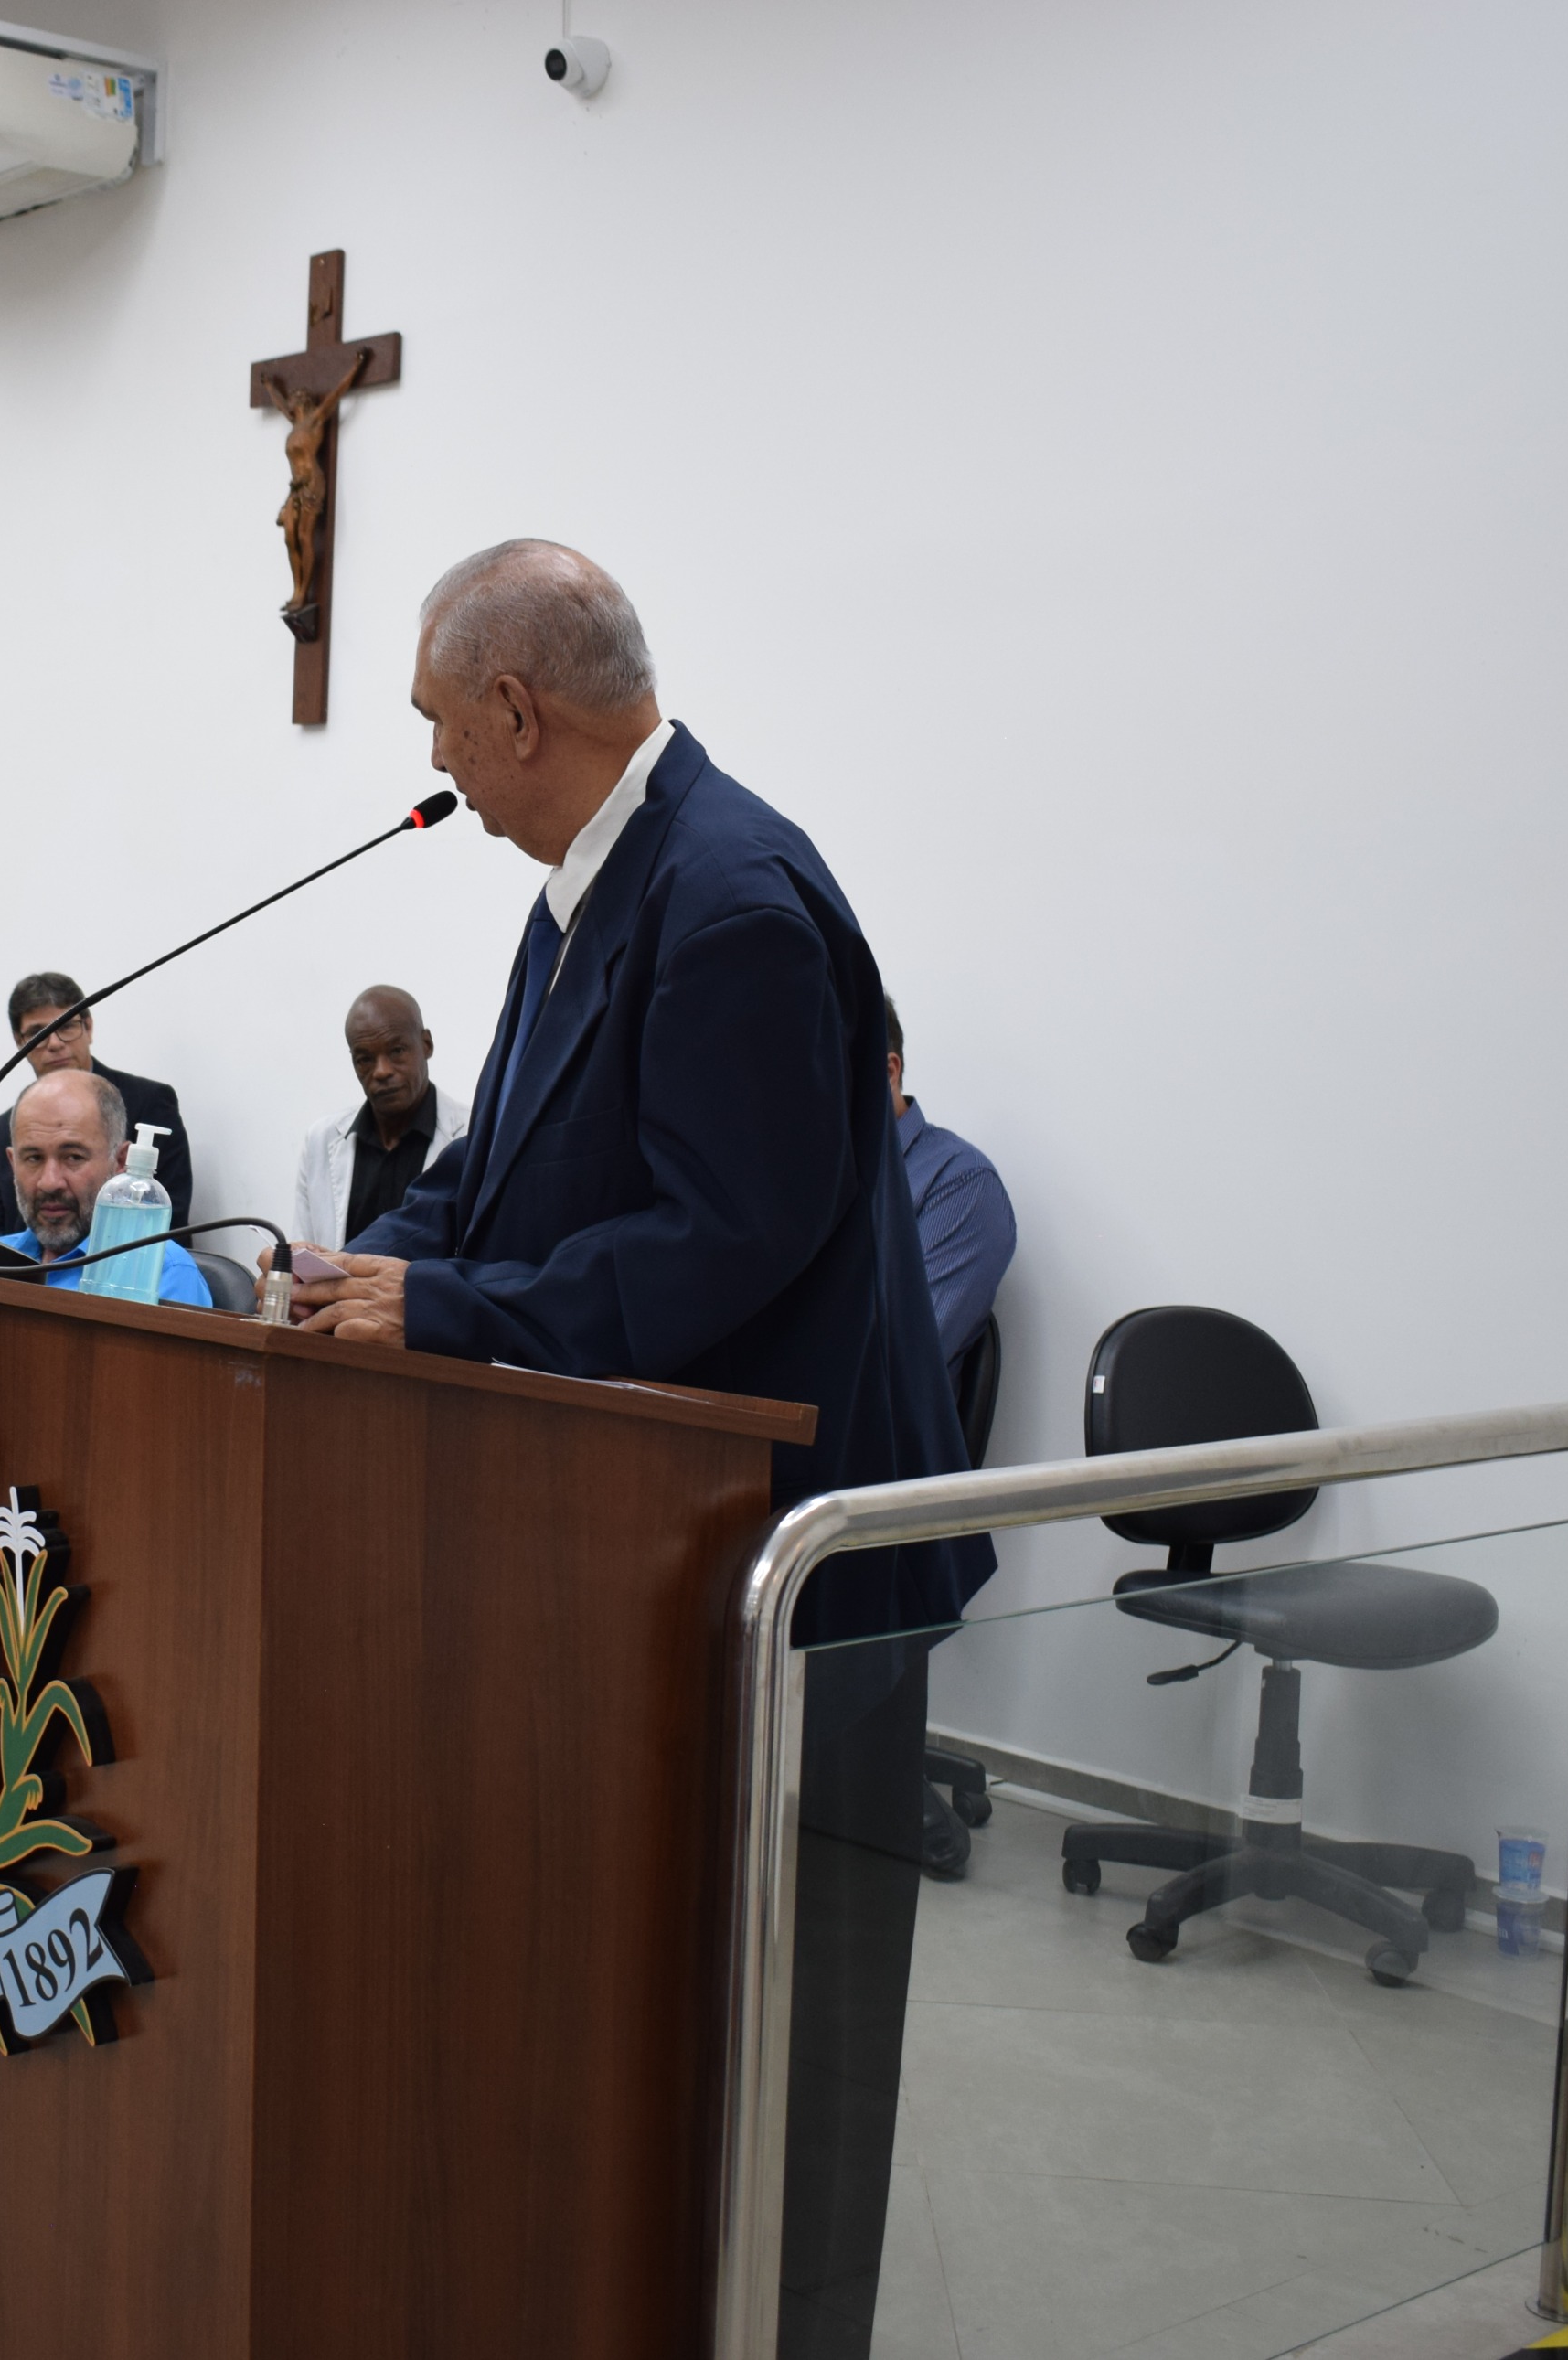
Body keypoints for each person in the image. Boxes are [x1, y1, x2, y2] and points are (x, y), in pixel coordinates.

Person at [282, 539, 983, 2360]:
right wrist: (369, 1269)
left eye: (438, 722)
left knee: (785, 2041)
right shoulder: (587, 886)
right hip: (638, 1553)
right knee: (648, 2016)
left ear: (515, 710)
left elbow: (727, 1234)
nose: (434, 764)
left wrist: (450, 1315)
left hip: (788, 1567)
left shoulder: (731, 895)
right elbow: (498, 1168)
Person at [0, 974, 195, 1233]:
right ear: (20, 1042)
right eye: (38, 1033)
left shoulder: (149, 1102)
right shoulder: (2, 1129)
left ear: (89, 1028)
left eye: (66, 1027)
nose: (54, 1043)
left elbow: (170, 1225)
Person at [0, 1069, 212, 1307]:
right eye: (34, 1158)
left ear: (120, 1161)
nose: (50, 1183)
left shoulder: (161, 1274)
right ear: (13, 1163)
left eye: (73, 1157)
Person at [884, 997, 1015, 1372]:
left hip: (853, 1410)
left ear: (888, 1072)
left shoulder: (960, 1183)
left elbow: (896, 1361)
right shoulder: (796, 1179)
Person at [293, 985, 469, 1250]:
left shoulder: (474, 1137)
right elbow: (301, 1252)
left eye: (397, 1050)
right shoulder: (320, 1140)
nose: (381, 1071)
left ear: (426, 1045)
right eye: (364, 1059)